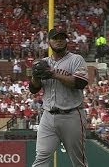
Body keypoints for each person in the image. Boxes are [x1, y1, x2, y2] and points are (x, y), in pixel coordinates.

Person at [29, 29, 88, 167]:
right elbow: (33, 89)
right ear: (49, 42)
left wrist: (54, 74)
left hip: (72, 115)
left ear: (66, 41)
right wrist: (35, 77)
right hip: (48, 116)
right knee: (41, 157)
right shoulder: (43, 62)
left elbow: (80, 83)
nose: (59, 40)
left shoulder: (76, 59)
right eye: (55, 38)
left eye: (62, 38)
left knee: (78, 161)